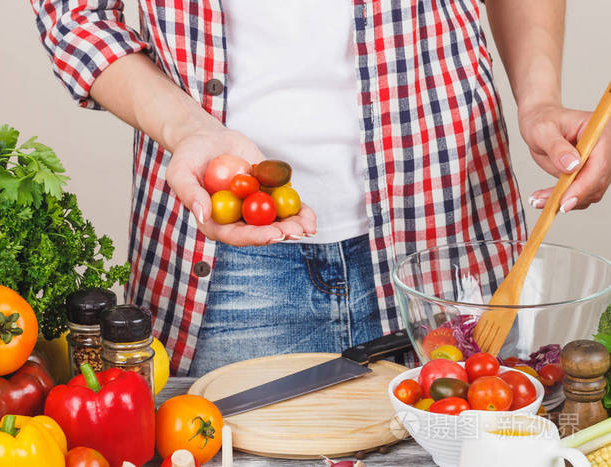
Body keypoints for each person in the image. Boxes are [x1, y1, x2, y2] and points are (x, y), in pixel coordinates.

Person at [30, 0, 611, 376]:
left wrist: (538, 99)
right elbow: (74, 14)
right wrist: (188, 128)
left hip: (448, 226)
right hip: (227, 262)